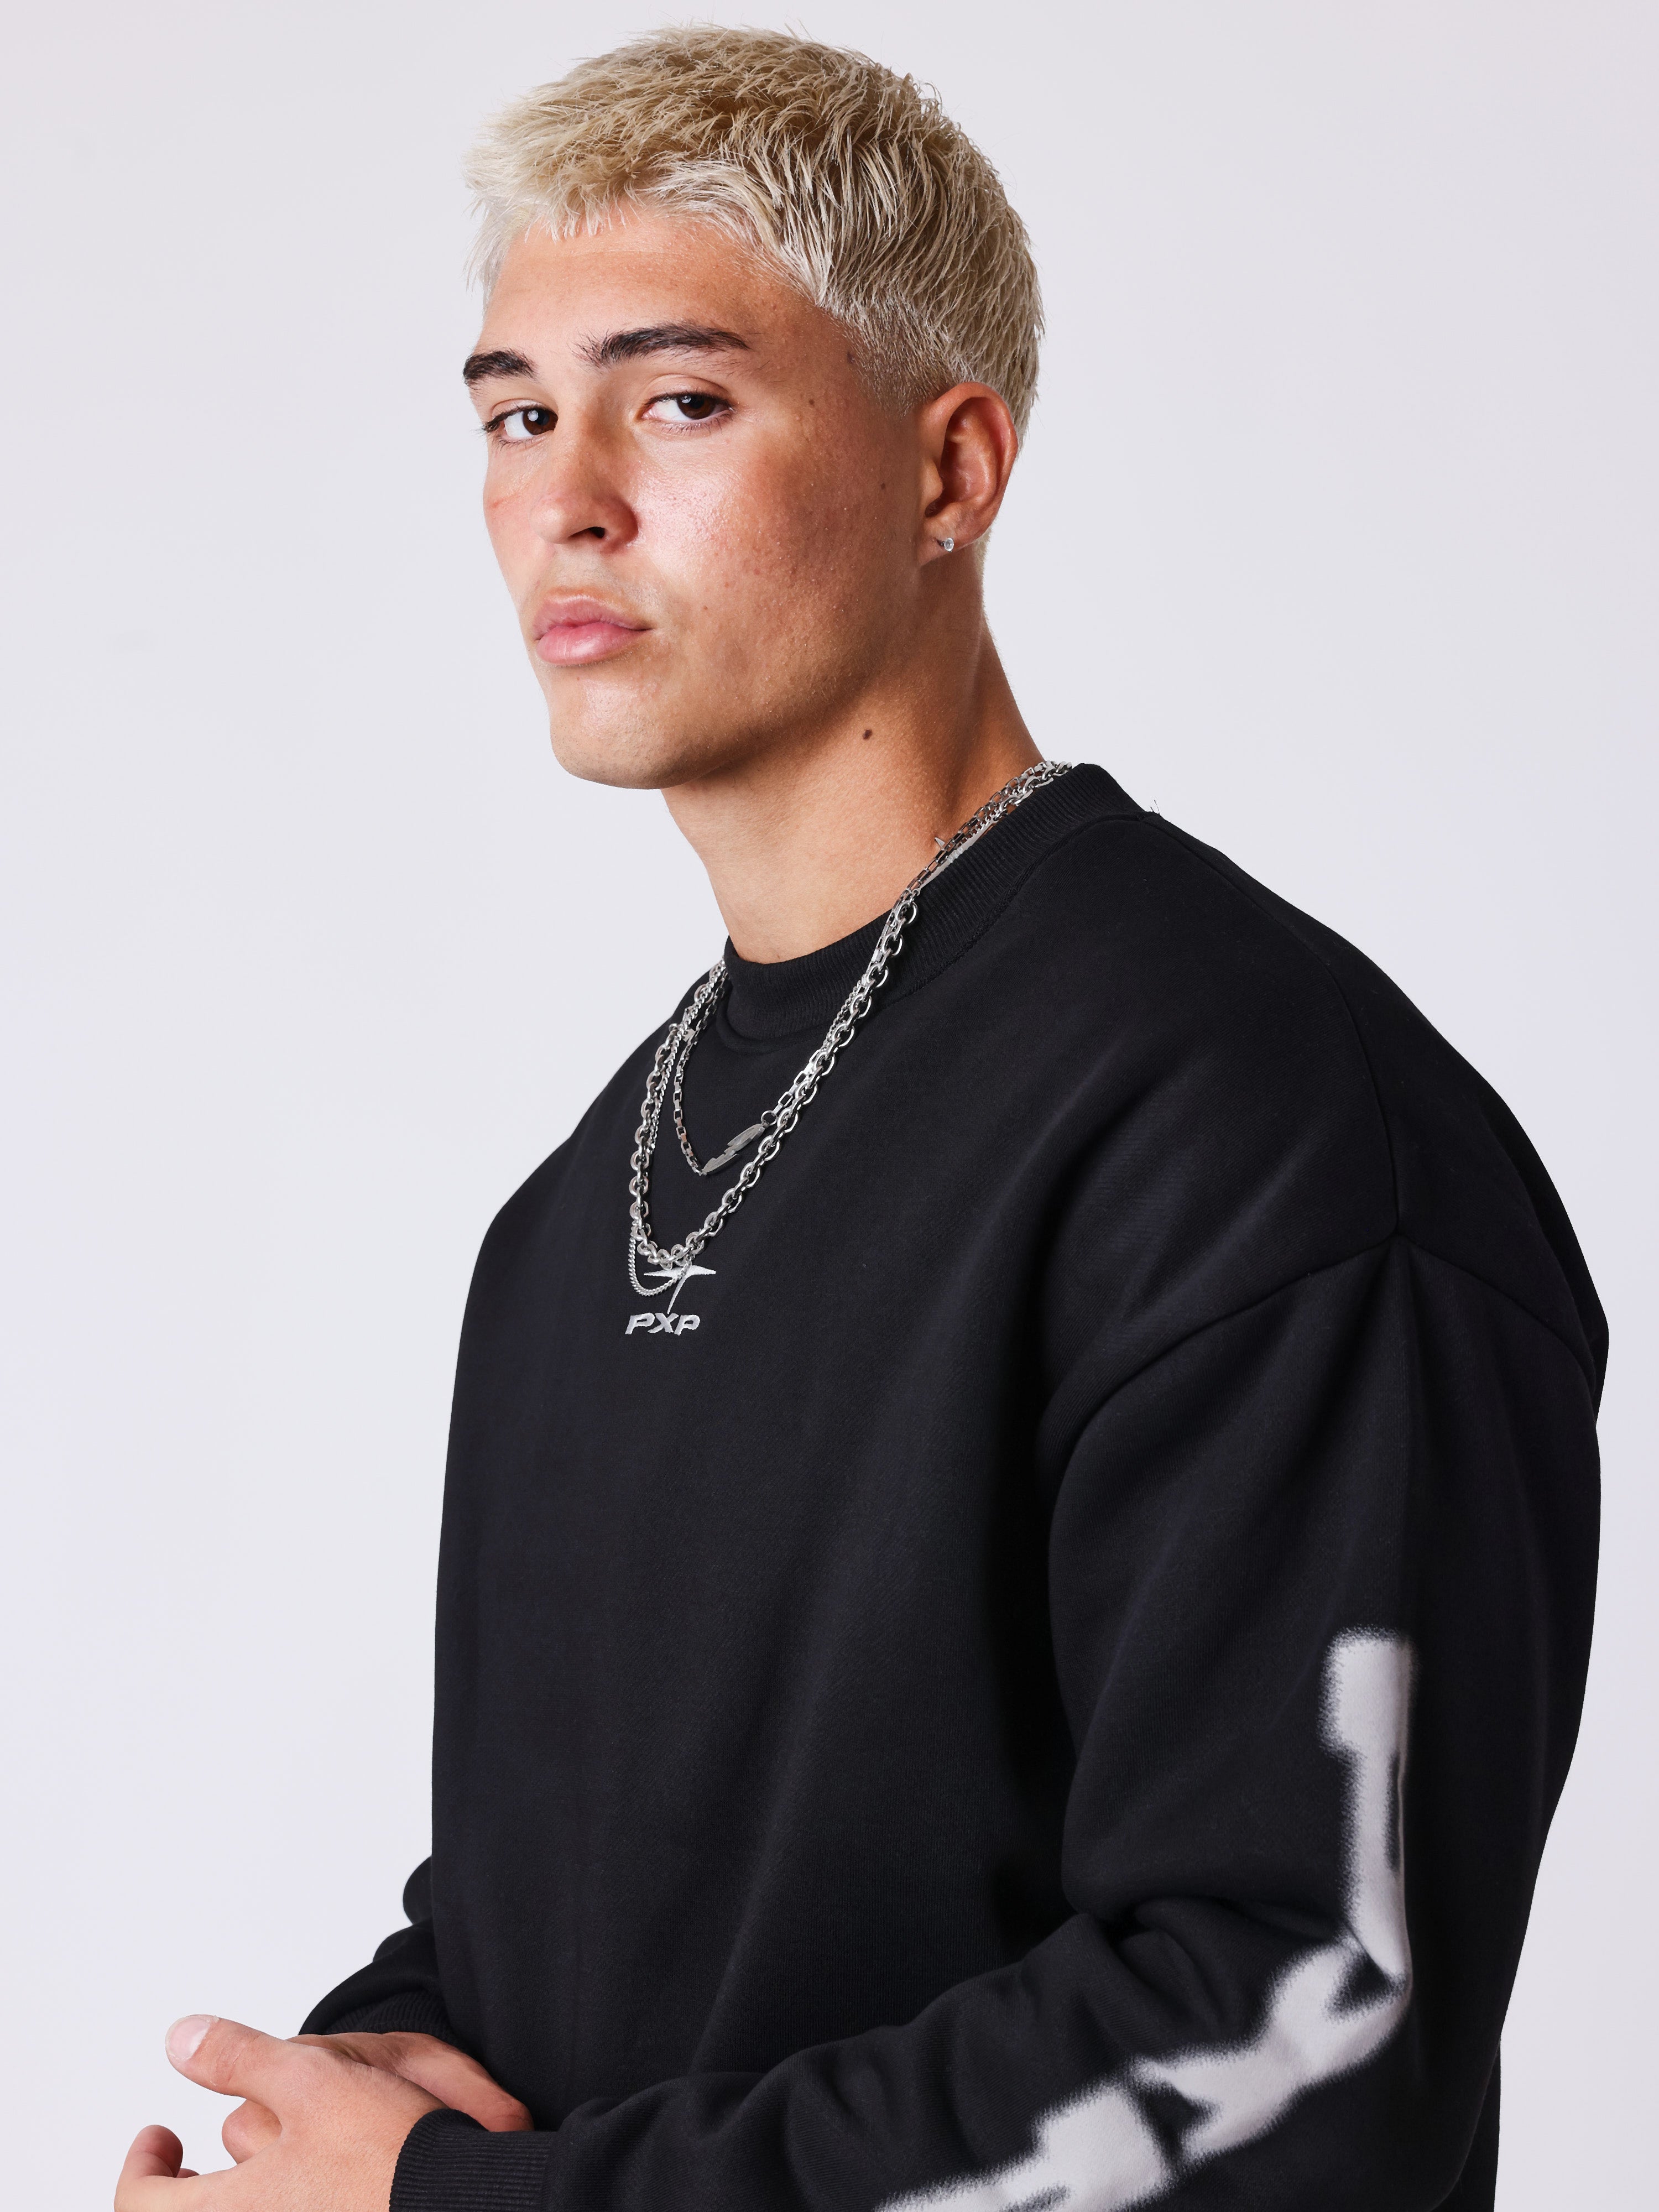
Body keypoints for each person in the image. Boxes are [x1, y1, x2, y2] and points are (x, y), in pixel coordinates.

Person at [117, 27, 1603, 2212]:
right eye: (516, 414)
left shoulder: (1267, 1126)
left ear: (950, 470)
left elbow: (1300, 2039)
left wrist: (460, 2204)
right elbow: (610, 1925)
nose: (567, 496)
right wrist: (355, 2090)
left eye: (678, 400)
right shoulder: (574, 1219)